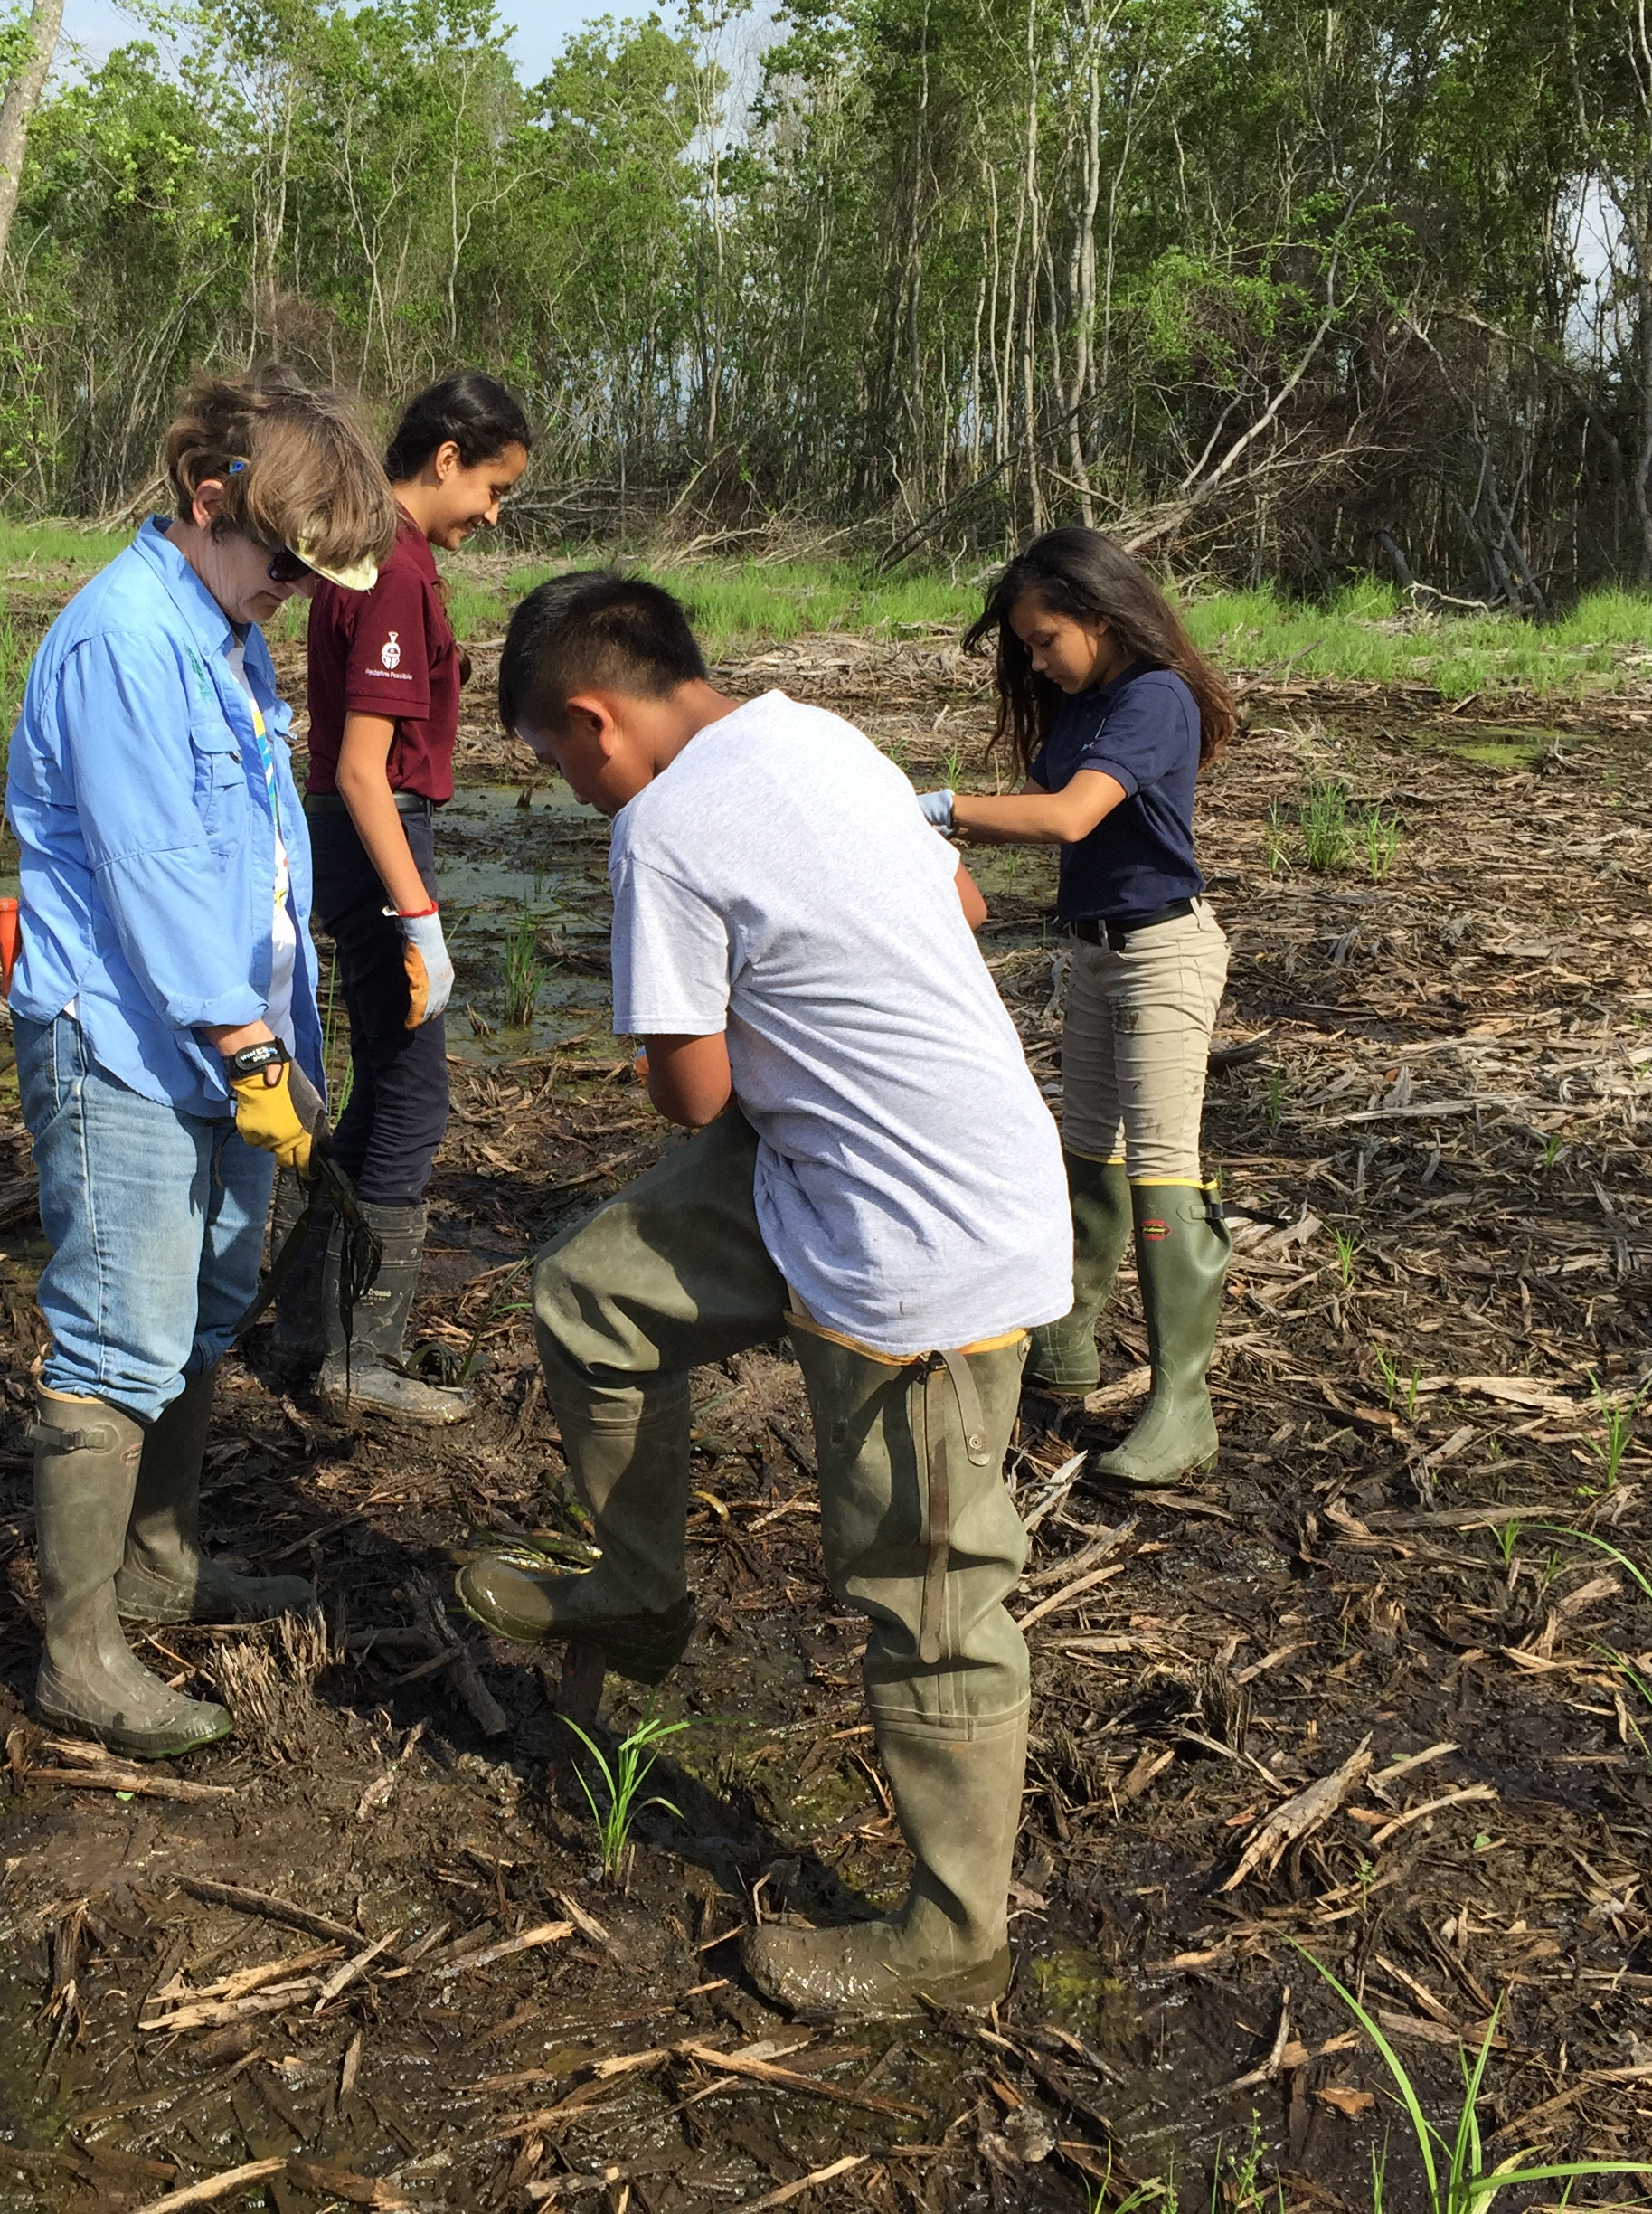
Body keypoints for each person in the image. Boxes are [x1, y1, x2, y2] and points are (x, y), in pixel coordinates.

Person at [455, 572, 1071, 2018]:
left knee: (928, 1591)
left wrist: (747, 1020)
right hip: (819, 1155)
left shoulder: (664, 833)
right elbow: (965, 897)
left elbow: (689, 1090)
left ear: (594, 720)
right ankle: (634, 1589)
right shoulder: (820, 737)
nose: (570, 796)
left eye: (556, 766)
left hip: (922, 1239)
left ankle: (952, 1937)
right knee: (595, 1295)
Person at [4, 371, 398, 1760]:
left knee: (203, 1307)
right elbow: (157, 877)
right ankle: (80, 1652)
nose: (294, 586)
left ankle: (166, 1570)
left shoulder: (224, 629)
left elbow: (251, 856)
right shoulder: (122, 641)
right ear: (208, 499)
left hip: (234, 1039)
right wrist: (246, 1047)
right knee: (119, 1336)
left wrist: (276, 1038)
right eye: (283, 559)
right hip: (127, 1042)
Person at [919, 527, 1239, 1488]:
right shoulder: (1091, 703)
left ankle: (1183, 1404)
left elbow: (1066, 816)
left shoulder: (1153, 698)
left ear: (1101, 619)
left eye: (1046, 638)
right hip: (1095, 953)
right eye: (1025, 644)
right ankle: (1066, 1347)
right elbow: (1046, 798)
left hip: (1163, 954)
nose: (1036, 660)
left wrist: (935, 810)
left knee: (1164, 1171)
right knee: (1089, 1148)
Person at [278, 372, 533, 1424]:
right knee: (414, 1096)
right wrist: (417, 913)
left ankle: (309, 1329)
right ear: (446, 460)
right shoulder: (389, 570)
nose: (494, 511)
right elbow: (359, 769)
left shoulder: (374, 553)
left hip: (364, 843)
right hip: (378, 839)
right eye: (494, 487)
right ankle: (356, 1364)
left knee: (383, 1086)